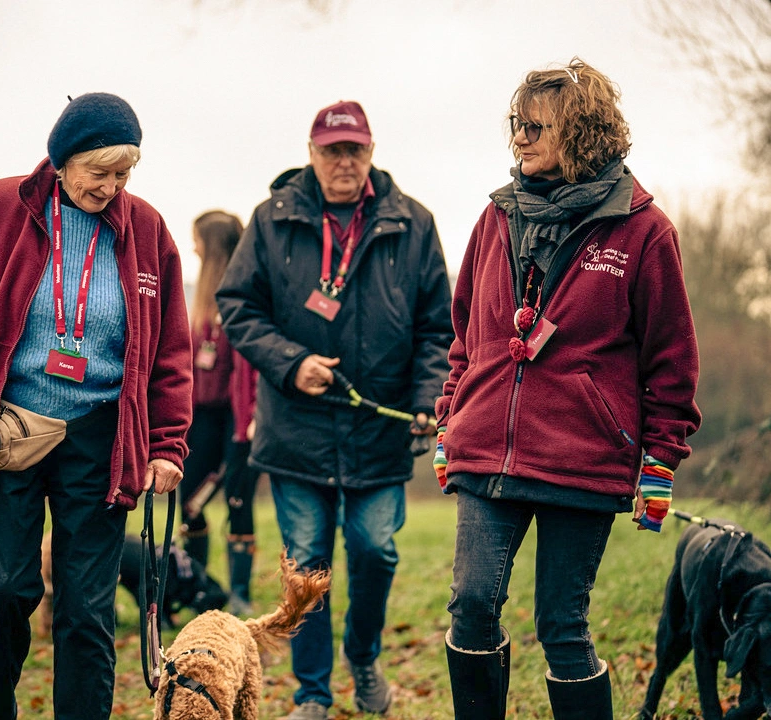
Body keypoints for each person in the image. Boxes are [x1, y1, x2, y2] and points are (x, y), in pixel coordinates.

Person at [0, 92, 192, 720]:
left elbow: (170, 347)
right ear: (62, 159)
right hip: (10, 426)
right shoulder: (0, 207)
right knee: (2, 589)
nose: (110, 187)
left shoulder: (148, 230)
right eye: (98, 171)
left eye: (123, 175)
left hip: (101, 435)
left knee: (86, 608)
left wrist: (167, 443)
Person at [435, 59, 700, 720]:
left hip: (582, 461)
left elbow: (671, 360)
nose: (519, 139)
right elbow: (464, 332)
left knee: (562, 628)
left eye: (536, 127)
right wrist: (450, 421)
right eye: (515, 126)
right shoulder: (494, 218)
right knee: (470, 606)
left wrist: (659, 462)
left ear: (583, 134)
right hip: (486, 452)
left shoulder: (644, 232)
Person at [216, 99, 452, 719]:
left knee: (376, 549)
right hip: (295, 430)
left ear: (371, 152)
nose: (343, 161)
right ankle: (313, 694)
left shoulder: (415, 223)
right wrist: (292, 363)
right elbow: (237, 308)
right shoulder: (270, 220)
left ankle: (364, 653)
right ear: (312, 153)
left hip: (380, 428)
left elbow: (437, 328)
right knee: (308, 563)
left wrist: (429, 398)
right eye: (332, 150)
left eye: (354, 149)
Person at [177, 209, 261, 615]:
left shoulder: (243, 293)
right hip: (201, 418)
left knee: (238, 502)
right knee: (188, 500)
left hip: (237, 419)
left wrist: (248, 423)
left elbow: (245, 371)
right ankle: (199, 588)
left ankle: (240, 594)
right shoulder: (198, 300)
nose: (191, 245)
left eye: (196, 239)